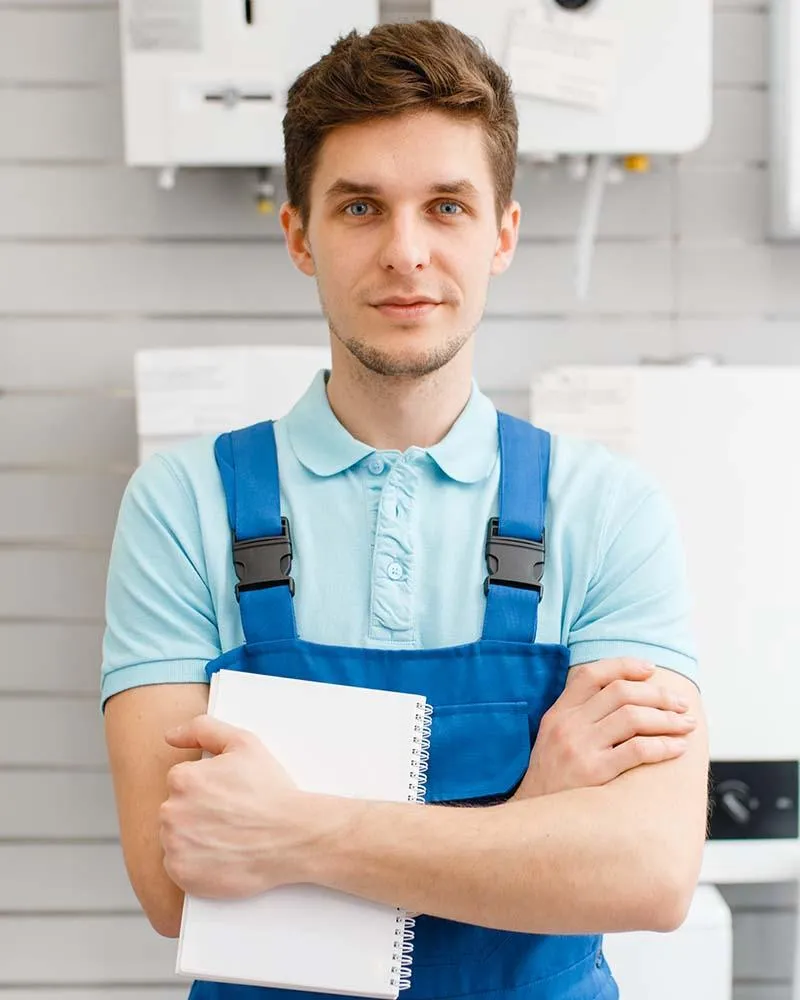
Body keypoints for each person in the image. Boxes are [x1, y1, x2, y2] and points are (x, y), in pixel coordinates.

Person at [102, 19, 709, 1000]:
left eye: (446, 206)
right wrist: (529, 816)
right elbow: (177, 883)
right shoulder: (183, 507)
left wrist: (291, 830)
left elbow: (644, 870)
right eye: (358, 208)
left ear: (501, 232)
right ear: (298, 234)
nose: (406, 252)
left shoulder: (605, 509)